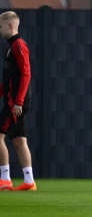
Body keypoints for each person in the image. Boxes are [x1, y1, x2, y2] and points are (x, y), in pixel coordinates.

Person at [0, 11, 36, 191]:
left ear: (10, 25)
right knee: (19, 141)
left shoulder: (19, 46)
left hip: (16, 103)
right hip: (14, 101)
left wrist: (18, 102)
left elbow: (25, 74)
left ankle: (5, 179)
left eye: (0, 26)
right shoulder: (9, 48)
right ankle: (29, 181)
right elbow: (9, 80)